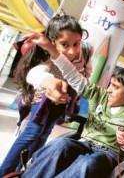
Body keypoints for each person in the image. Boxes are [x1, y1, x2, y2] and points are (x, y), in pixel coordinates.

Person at [21, 31, 124, 178]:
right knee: (59, 145)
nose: (109, 90)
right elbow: (72, 74)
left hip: (108, 153)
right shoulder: (99, 94)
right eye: (110, 85)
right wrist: (50, 48)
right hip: (85, 142)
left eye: (116, 87)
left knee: (87, 163)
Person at [0, 14, 93, 177]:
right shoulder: (46, 56)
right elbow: (36, 73)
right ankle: (4, 172)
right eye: (65, 44)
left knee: (44, 133)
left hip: (62, 100)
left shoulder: (84, 51)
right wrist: (49, 82)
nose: (71, 50)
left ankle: (27, 169)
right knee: (32, 132)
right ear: (52, 43)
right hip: (43, 98)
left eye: (76, 44)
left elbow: (79, 73)